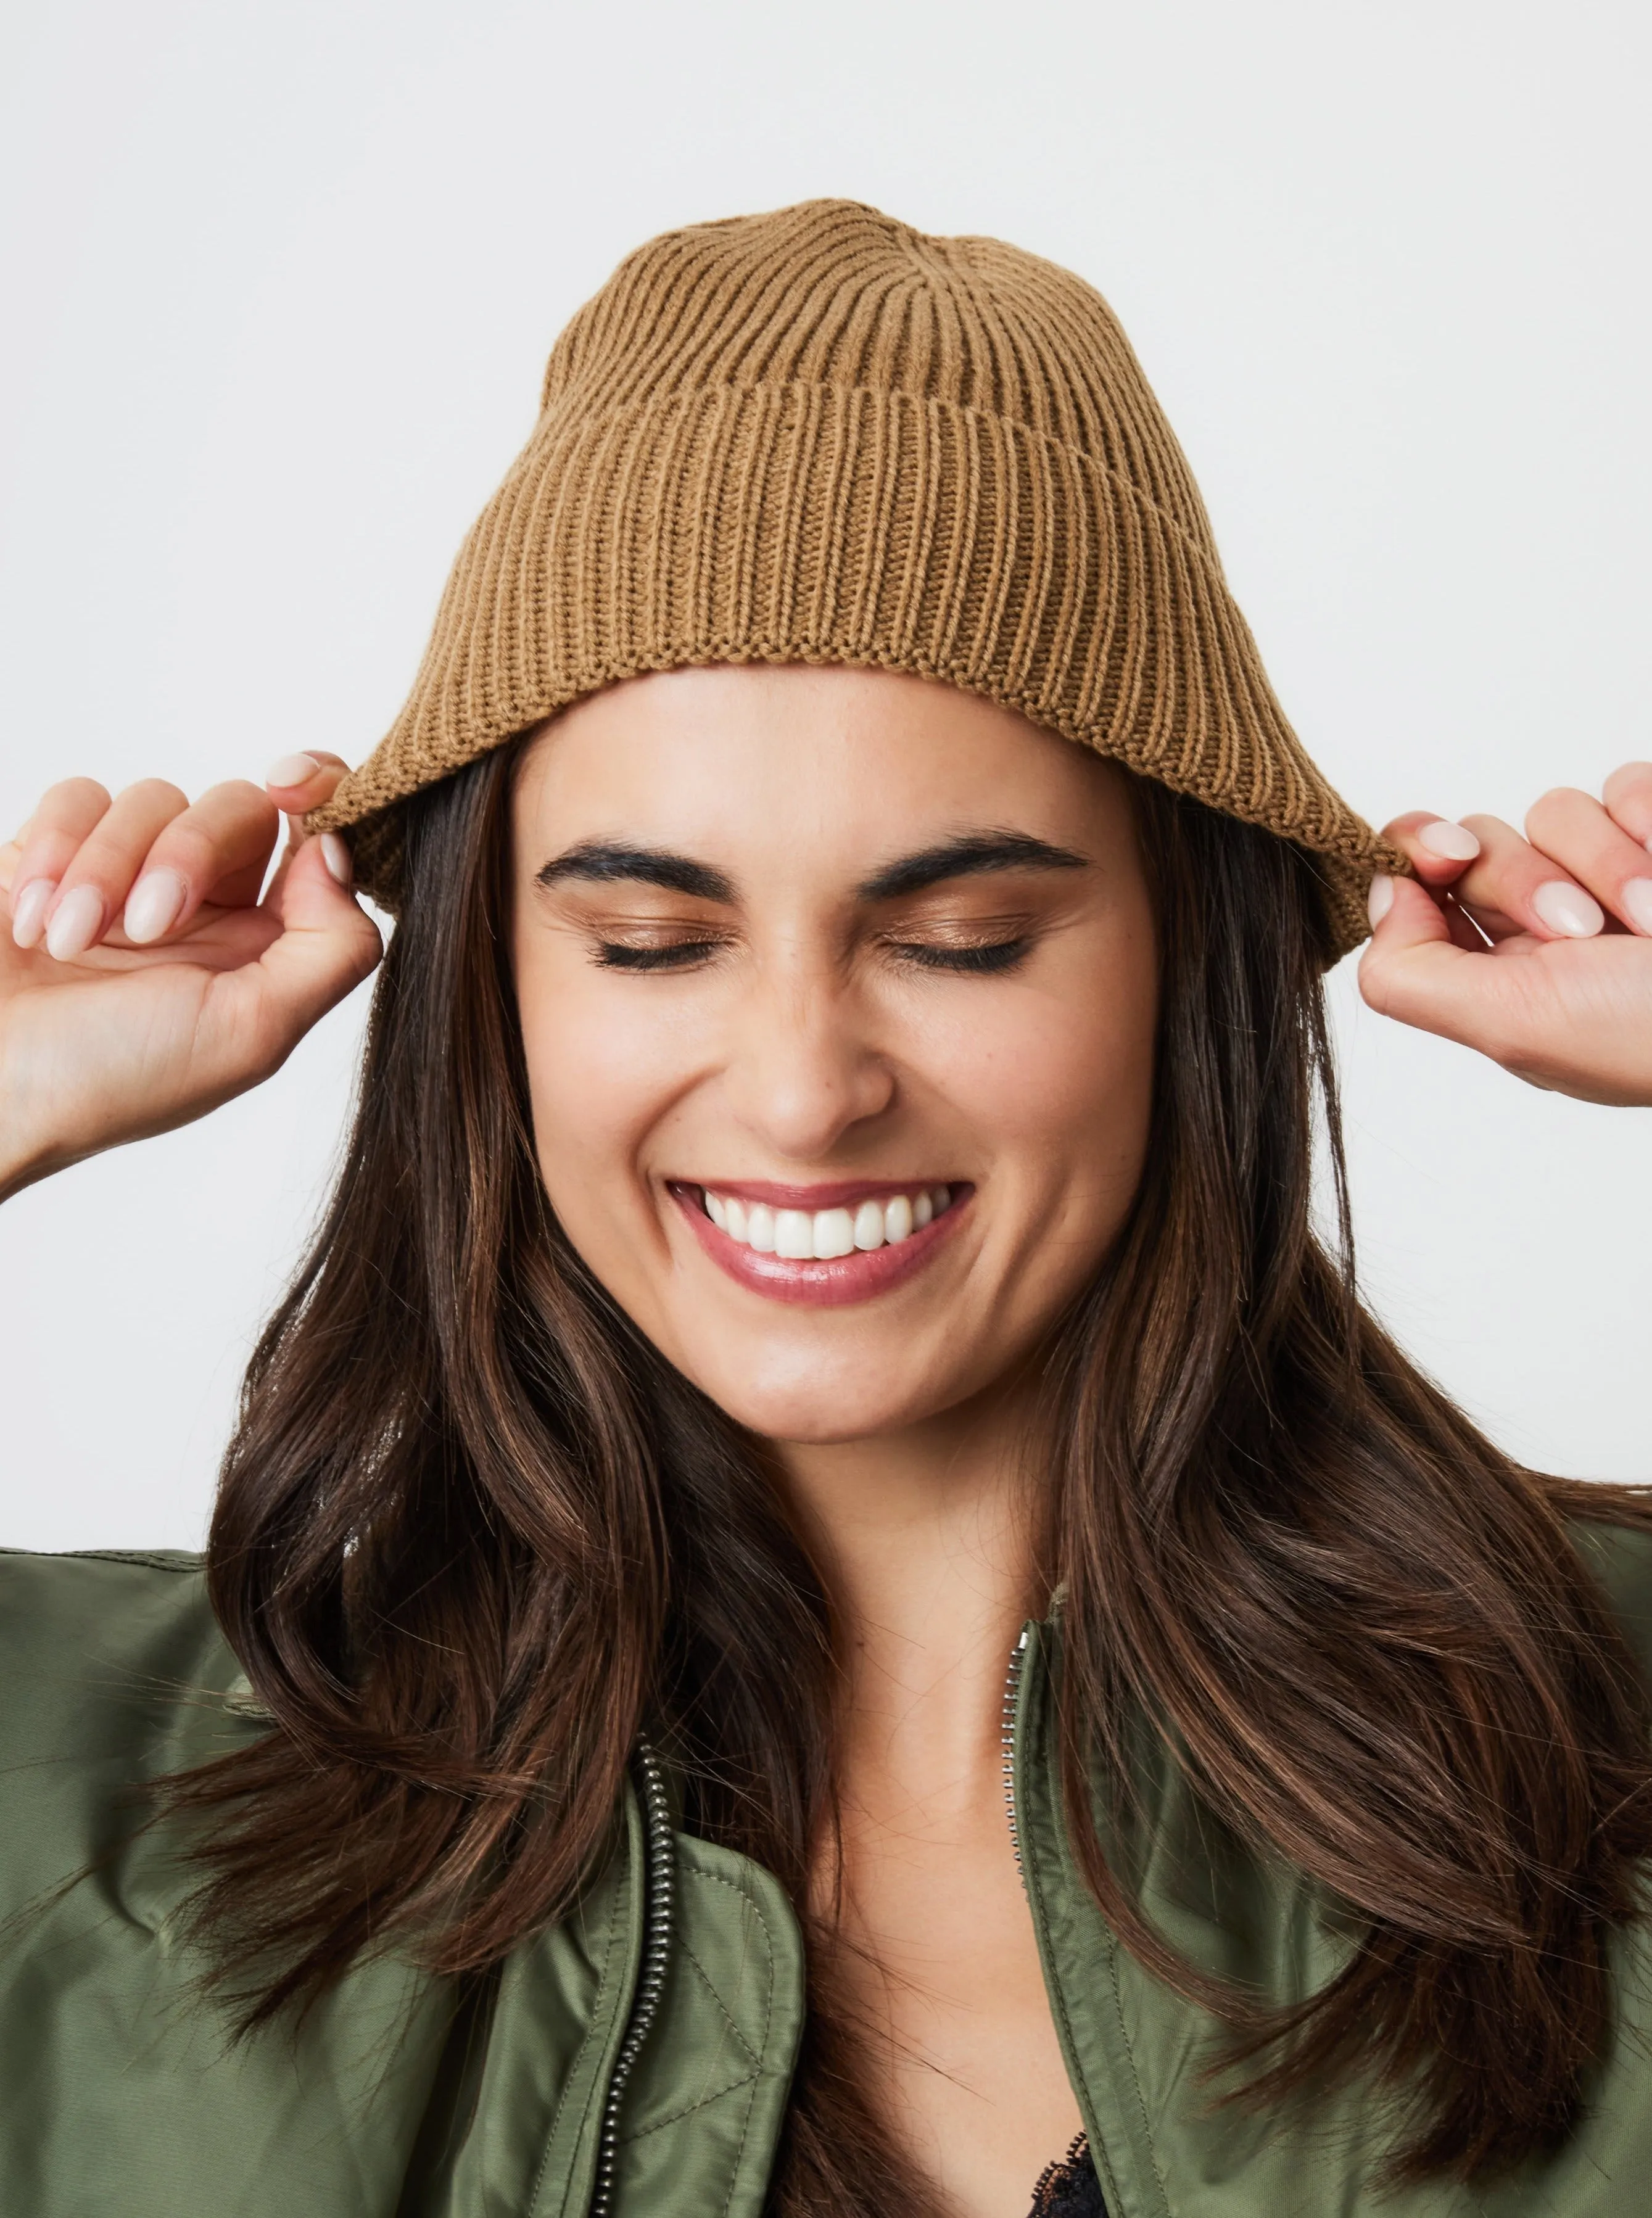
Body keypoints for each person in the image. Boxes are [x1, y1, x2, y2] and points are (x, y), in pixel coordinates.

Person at [2, 199, 1651, 2218]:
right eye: (647, 938)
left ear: (1178, 962)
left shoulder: (1612, 1763)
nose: (800, 1088)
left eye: (959, 937)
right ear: (492, 993)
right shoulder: (95, 1814)